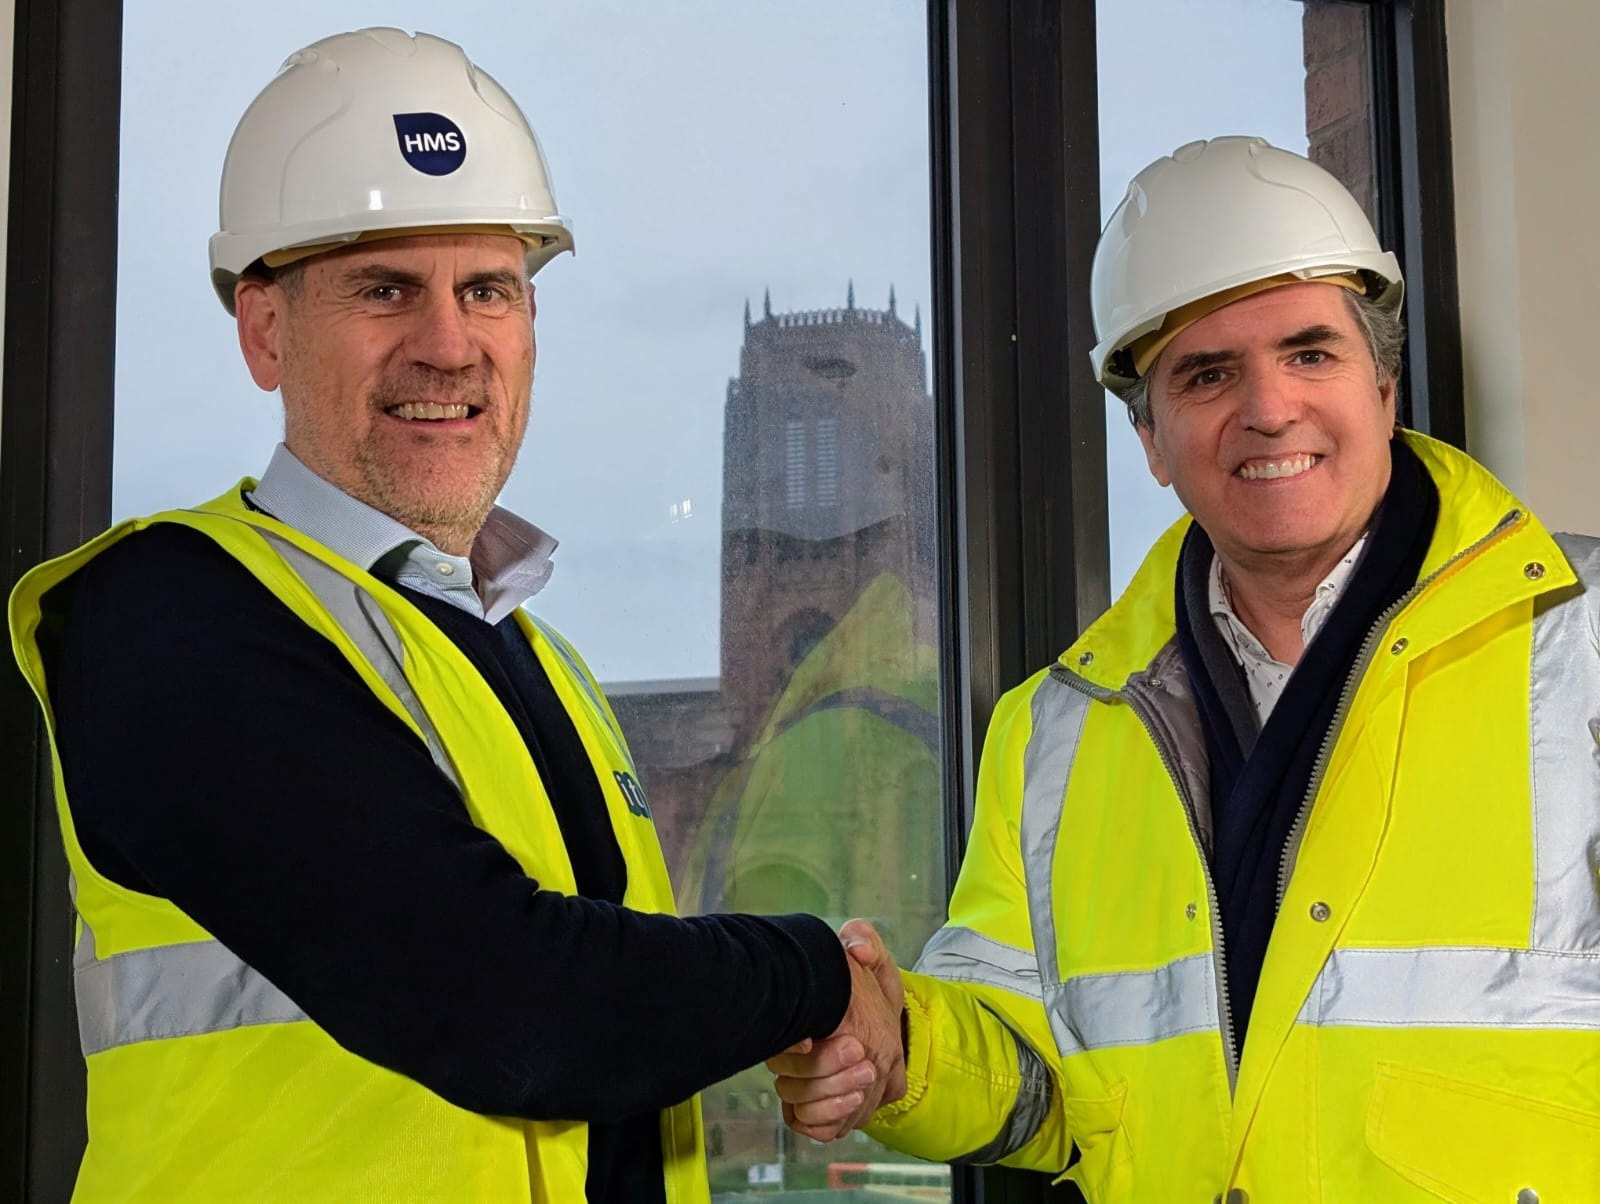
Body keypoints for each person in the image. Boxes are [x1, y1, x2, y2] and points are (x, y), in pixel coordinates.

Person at [8, 28, 903, 1203]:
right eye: (386, 289)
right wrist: (812, 974)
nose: (448, 344)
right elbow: (515, 1007)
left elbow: (616, 1037)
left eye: (488, 289)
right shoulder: (170, 619)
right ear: (265, 329)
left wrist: (800, 1038)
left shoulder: (543, 663)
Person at [769, 136, 1600, 1200]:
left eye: (1309, 353)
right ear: (1151, 440)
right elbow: (1035, 1076)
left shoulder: (1578, 648)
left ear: (1383, 387)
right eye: (1207, 374)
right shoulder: (1056, 729)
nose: (1267, 408)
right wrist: (902, 1050)